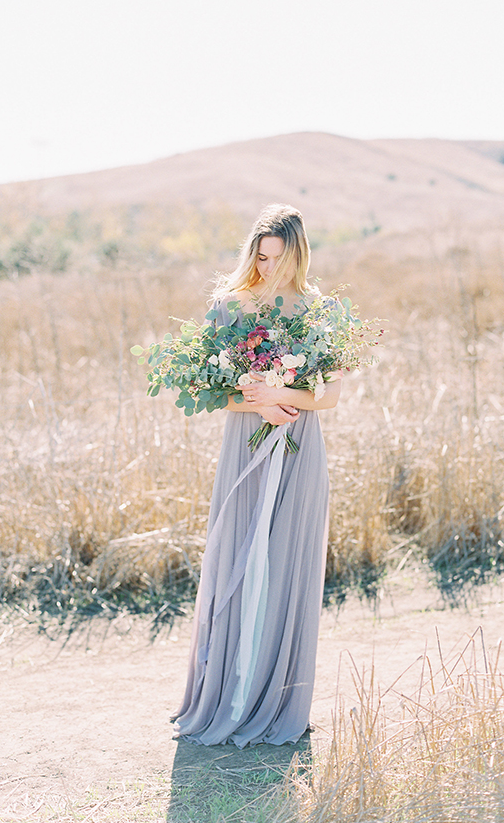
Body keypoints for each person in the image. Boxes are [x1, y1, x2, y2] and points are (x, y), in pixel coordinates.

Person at [172, 203, 341, 746]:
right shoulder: (229, 307)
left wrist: (278, 397)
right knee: (236, 564)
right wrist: (259, 407)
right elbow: (209, 393)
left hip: (299, 450)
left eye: (279, 258)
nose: (268, 268)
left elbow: (329, 397)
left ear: (299, 254)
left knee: (288, 565)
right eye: (260, 257)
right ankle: (229, 692)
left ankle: (279, 698)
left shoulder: (320, 311)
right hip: (245, 448)